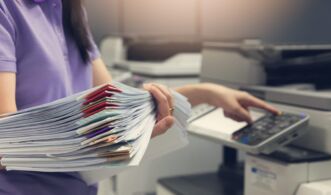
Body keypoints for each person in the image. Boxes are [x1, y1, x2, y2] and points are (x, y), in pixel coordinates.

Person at [0, 0, 280, 194]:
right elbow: (8, 142)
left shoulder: (72, 11)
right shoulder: (7, 9)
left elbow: (115, 112)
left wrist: (205, 92)